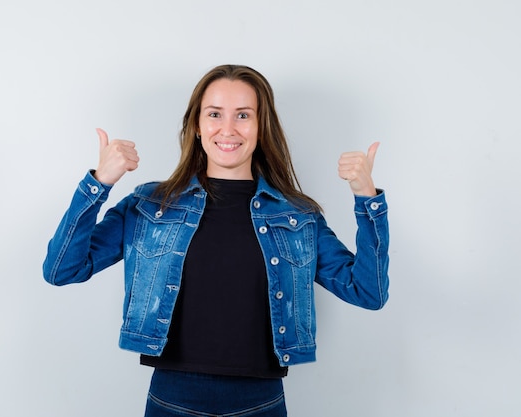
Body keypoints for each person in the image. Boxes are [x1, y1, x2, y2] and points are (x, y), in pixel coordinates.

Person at [43, 64, 390, 417]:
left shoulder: (297, 217)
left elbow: (368, 291)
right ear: (197, 124)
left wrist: (367, 199)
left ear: (260, 126)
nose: (228, 129)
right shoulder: (149, 206)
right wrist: (98, 183)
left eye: (243, 115)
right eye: (214, 114)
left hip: (261, 402)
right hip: (172, 400)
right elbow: (62, 269)